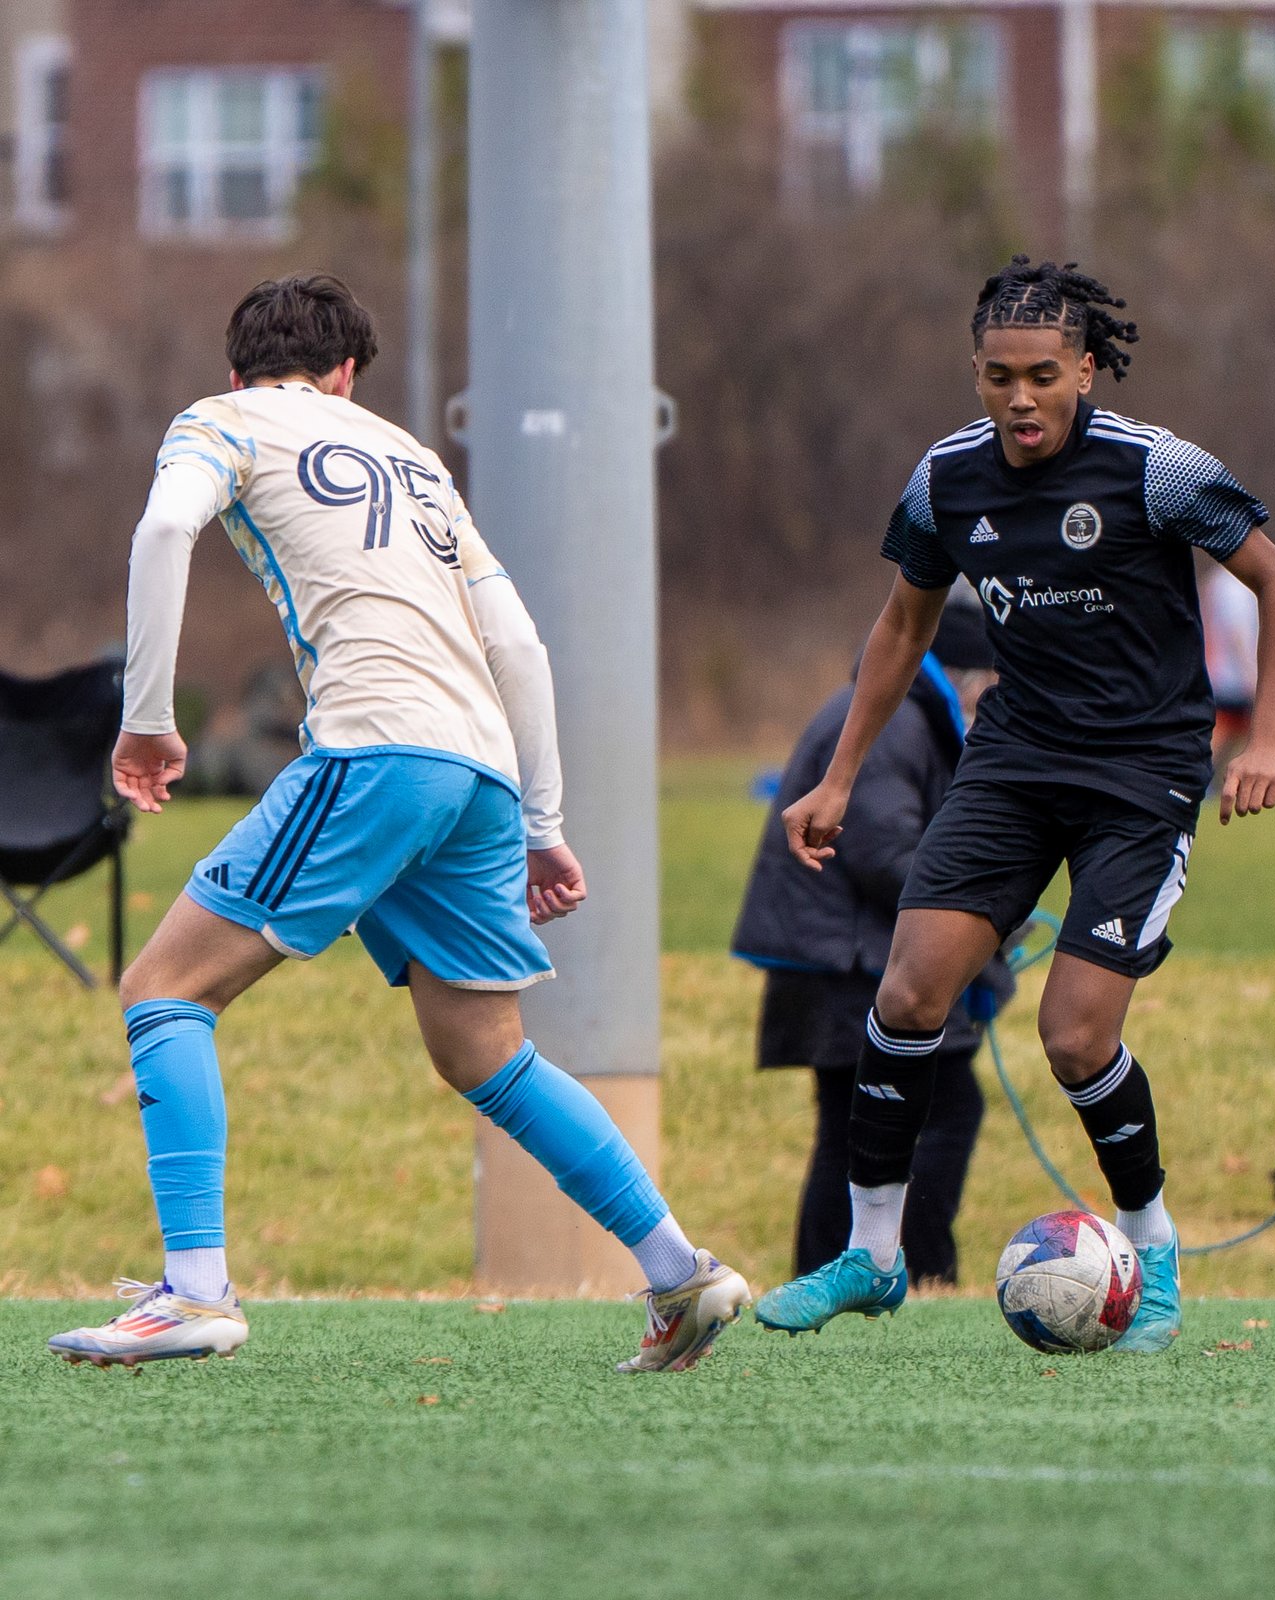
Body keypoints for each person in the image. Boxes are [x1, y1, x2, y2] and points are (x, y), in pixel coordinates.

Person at [47, 275, 749, 1373]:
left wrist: (148, 720)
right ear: (346, 376)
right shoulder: (413, 458)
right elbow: (518, 642)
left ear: (237, 371)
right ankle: (679, 1271)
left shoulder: (222, 420)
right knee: (487, 1055)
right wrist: (543, 818)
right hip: (479, 774)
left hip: (375, 751)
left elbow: (163, 526)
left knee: (163, 989)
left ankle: (193, 1291)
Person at [753, 256, 1275, 1351]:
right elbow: (902, 627)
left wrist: (1272, 734)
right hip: (1011, 764)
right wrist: (837, 777)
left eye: (1044, 375)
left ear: (1086, 370)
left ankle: (1151, 1250)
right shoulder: (944, 479)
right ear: (975, 373)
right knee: (908, 993)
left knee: (1072, 1035)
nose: (1020, 398)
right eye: (999, 376)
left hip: (1140, 780)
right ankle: (872, 1253)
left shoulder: (1158, 470)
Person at [732, 599, 1009, 1285]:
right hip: (846, 965)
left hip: (839, 958)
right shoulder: (896, 725)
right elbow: (885, 853)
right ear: (966, 677)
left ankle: (838, 1273)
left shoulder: (901, 711)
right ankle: (919, 1273)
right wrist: (983, 915)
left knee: (854, 1129)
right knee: (937, 1111)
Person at [1202, 566, 1257, 773]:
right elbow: (1236, 632)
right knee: (1224, 730)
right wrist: (1250, 672)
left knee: (1228, 731)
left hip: (1220, 671)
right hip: (1231, 676)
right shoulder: (1233, 586)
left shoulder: (1218, 581)